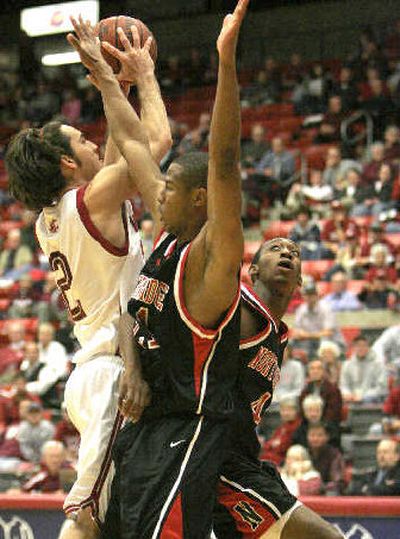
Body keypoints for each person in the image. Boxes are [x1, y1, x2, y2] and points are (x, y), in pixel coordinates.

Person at [5, 18, 171, 539]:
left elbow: (120, 144)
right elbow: (154, 142)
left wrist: (111, 87)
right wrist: (142, 76)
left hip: (101, 367)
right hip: (111, 373)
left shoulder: (52, 217)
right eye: (82, 141)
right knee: (87, 513)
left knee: (117, 514)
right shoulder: (91, 201)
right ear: (65, 163)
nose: (95, 145)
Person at [101, 3, 246, 537]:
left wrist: (226, 64)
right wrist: (114, 78)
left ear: (199, 199)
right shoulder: (165, 239)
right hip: (143, 427)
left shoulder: (214, 256)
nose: (156, 192)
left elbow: (226, 158)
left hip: (187, 433)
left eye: (168, 190)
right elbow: (135, 143)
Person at [214, 238, 342, 538]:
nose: (287, 252)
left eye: (295, 252)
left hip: (241, 457)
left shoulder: (278, 334)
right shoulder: (237, 309)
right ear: (253, 271)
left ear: (299, 280)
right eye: (275, 248)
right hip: (218, 458)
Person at [340, 335, 387, 403]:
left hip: (372, 401)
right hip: (351, 400)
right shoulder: (347, 365)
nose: (361, 348)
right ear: (353, 348)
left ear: (369, 347)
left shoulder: (378, 364)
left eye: (364, 345)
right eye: (358, 346)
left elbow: (382, 388)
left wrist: (363, 397)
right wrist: (347, 394)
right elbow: (344, 385)